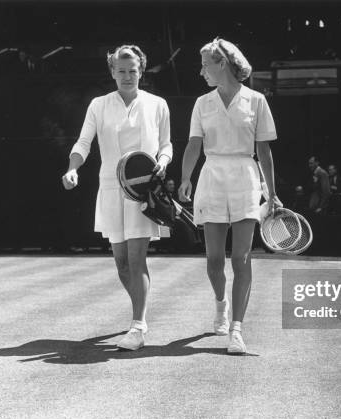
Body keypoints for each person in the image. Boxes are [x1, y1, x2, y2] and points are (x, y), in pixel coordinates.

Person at [61, 44, 172, 351]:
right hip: (110, 190)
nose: (126, 76)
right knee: (122, 265)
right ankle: (142, 314)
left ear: (141, 71)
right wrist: (73, 170)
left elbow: (167, 145)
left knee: (137, 261)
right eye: (120, 71)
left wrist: (162, 162)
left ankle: (137, 325)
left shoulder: (158, 104)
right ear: (112, 71)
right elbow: (83, 143)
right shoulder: (98, 105)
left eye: (132, 71)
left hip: (142, 191)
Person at [178, 38, 280, 354]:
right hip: (212, 177)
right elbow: (194, 144)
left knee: (241, 258)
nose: (201, 71)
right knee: (213, 262)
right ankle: (220, 303)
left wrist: (272, 192)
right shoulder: (201, 103)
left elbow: (263, 150)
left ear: (221, 64)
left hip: (246, 179)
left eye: (205, 65)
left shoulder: (257, 101)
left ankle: (236, 329)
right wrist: (184, 178)